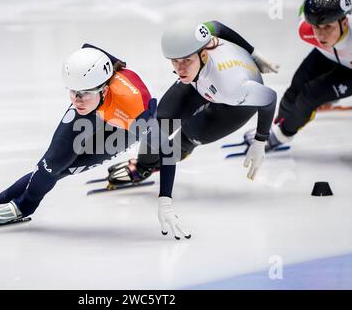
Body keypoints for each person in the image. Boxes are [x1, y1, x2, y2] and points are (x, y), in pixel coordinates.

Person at [107, 19, 279, 240]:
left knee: (189, 133)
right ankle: (144, 166)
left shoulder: (232, 86)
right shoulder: (198, 44)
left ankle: (175, 152)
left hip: (235, 104)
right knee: (158, 124)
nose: (180, 68)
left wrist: (260, 141)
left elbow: (269, 98)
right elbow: (216, 26)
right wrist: (253, 52)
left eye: (186, 61)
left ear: (203, 53)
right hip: (200, 81)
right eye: (174, 62)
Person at [0, 44, 156, 226]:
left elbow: (161, 143)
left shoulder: (136, 109)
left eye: (83, 92)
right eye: (72, 91)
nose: (76, 99)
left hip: (124, 126)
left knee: (64, 169)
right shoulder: (88, 78)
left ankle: (24, 206)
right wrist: (85, 94)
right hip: (96, 108)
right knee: (51, 164)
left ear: (103, 89)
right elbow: (88, 50)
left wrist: (149, 171)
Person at [250, 0, 352, 149]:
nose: (321, 35)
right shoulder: (306, 30)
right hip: (329, 54)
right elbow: (305, 6)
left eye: (328, 27)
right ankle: (277, 124)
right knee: (296, 87)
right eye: (316, 27)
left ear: (344, 23)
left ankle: (282, 135)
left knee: (310, 95)